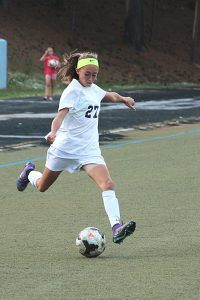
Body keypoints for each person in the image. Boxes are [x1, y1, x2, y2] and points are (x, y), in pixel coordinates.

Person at [17, 51, 136, 244]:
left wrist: (124, 99)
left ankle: (116, 228)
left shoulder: (94, 89)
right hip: (64, 148)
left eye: (94, 74)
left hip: (89, 150)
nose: (91, 78)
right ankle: (29, 173)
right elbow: (59, 116)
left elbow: (110, 95)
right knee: (42, 187)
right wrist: (53, 132)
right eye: (87, 74)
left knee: (108, 184)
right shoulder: (72, 91)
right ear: (78, 71)